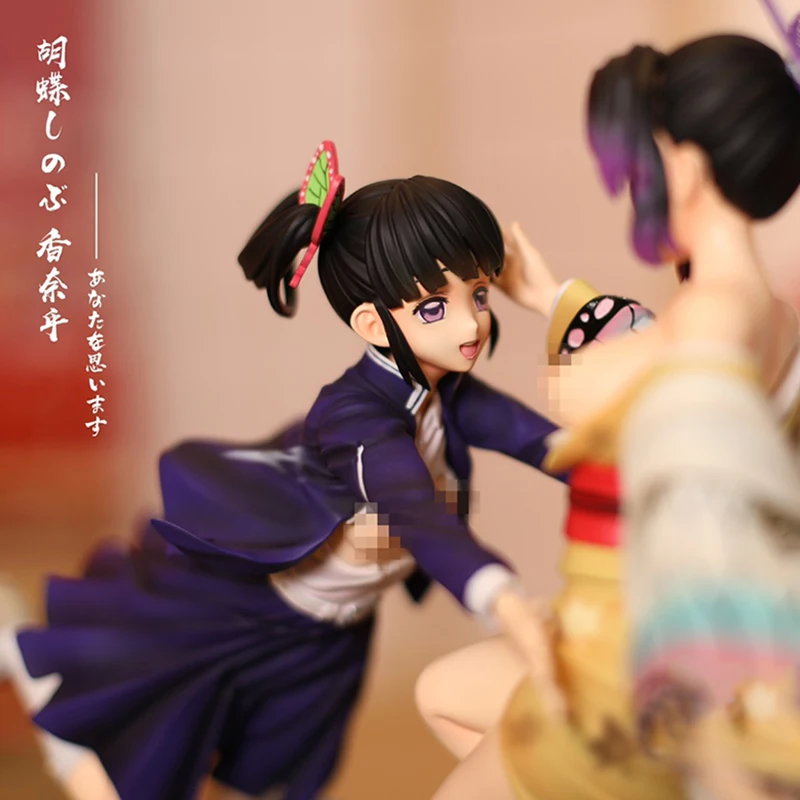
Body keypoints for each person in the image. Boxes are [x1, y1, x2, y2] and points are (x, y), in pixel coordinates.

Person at [8, 141, 568, 800]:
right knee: (138, 769)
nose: (472, 321)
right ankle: (37, 676)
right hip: (239, 614)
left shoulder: (452, 396)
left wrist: (559, 307)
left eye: (478, 293)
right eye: (433, 307)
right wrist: (504, 600)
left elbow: (554, 446)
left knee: (267, 771)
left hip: (322, 638)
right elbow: (416, 513)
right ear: (372, 322)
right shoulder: (356, 418)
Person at [415, 24, 800, 800]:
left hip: (630, 667)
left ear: (686, 165)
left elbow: (672, 379)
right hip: (604, 625)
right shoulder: (761, 310)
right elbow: (660, 349)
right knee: (443, 693)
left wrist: (589, 379)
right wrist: (553, 298)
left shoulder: (716, 318)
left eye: (642, 165)